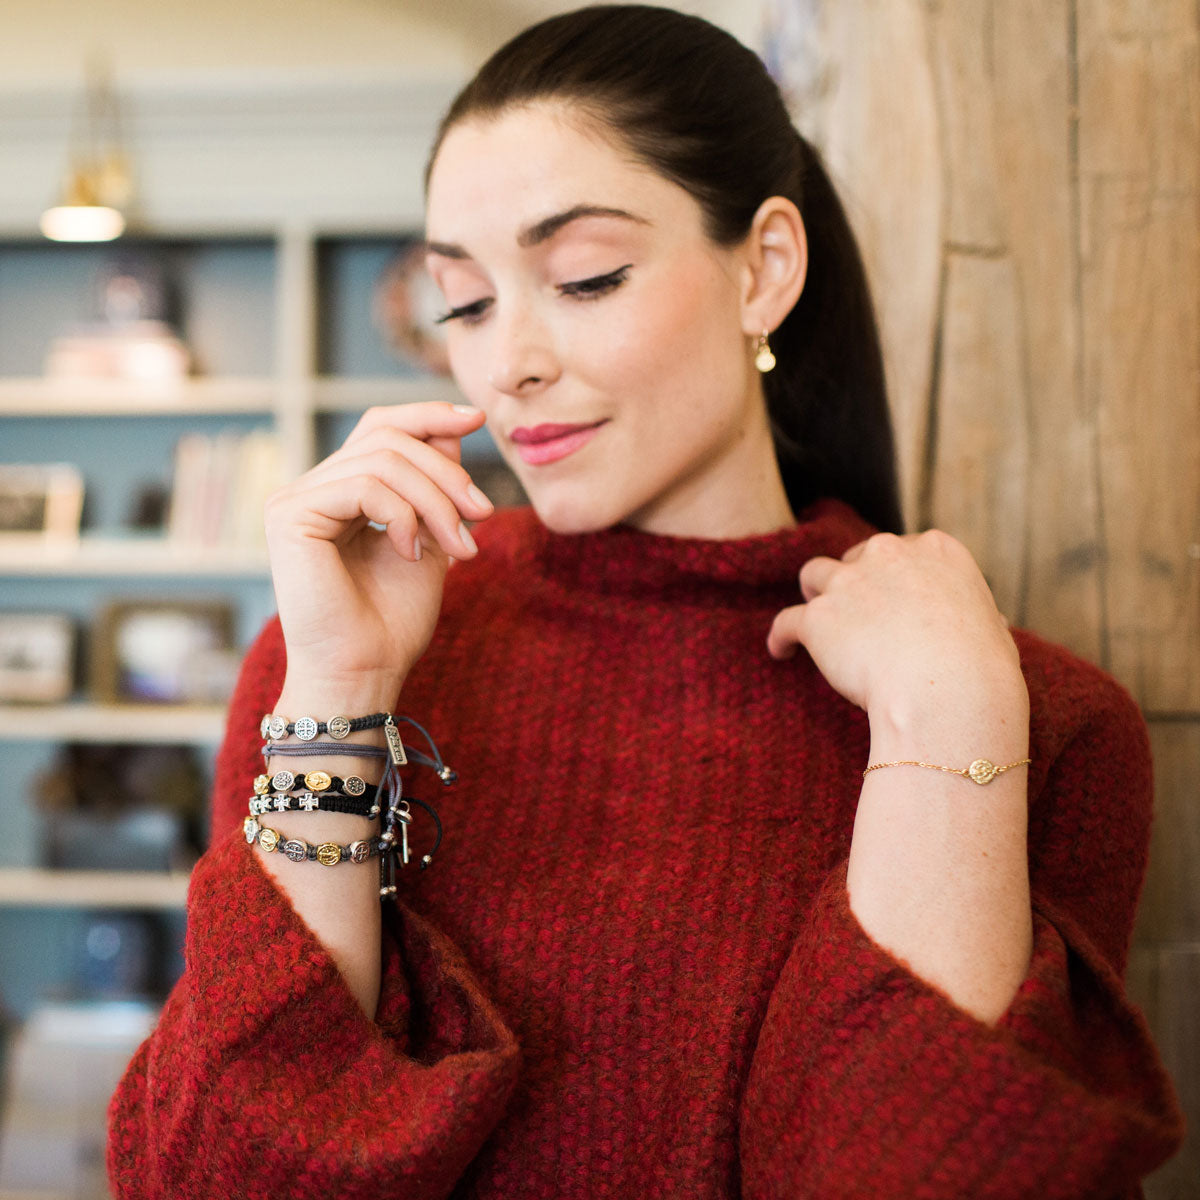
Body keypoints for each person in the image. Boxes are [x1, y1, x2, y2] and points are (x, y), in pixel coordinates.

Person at [107, 6, 1185, 1197]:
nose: (505, 361)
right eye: (462, 304)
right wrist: (341, 696)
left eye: (585, 276)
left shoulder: (1032, 713)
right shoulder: (341, 659)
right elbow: (210, 1175)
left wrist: (950, 730)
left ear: (763, 267)